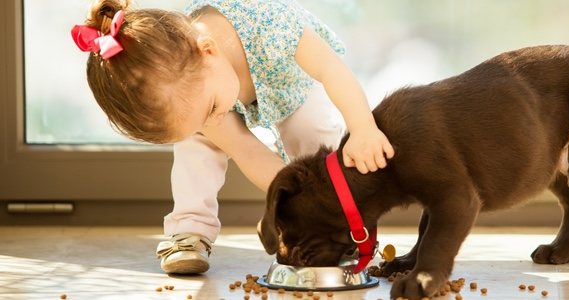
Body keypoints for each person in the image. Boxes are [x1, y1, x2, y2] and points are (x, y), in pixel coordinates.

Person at [71, 0, 394, 274]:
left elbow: (331, 69)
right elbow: (246, 150)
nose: (214, 119)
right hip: (217, 89)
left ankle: (333, 226)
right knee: (195, 148)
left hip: (290, 85)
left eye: (211, 109)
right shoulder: (197, 93)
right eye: (203, 118)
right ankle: (189, 231)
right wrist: (288, 198)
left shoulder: (273, 26)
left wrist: (363, 127)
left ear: (208, 51)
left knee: (311, 135)